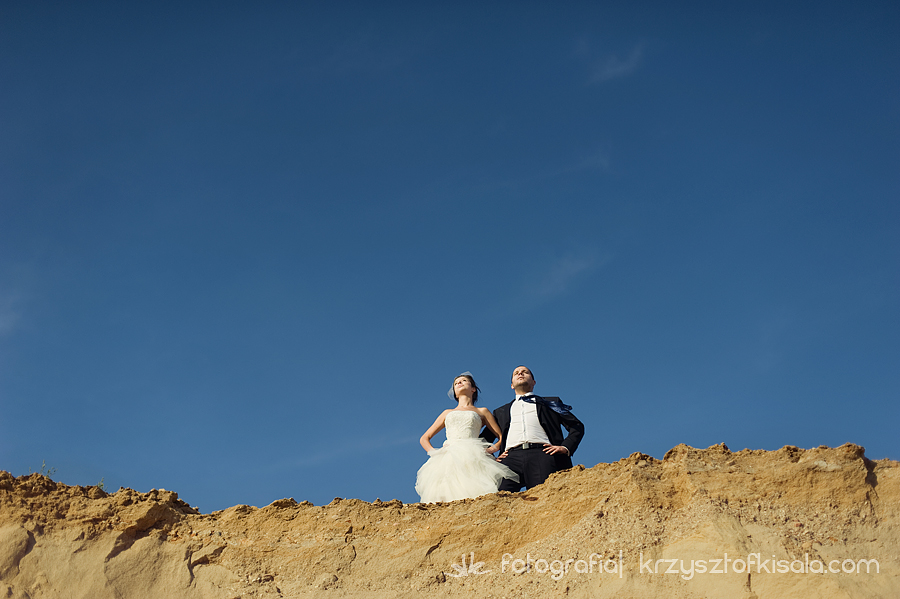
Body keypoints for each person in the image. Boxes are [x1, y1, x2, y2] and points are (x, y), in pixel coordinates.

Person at [415, 372, 519, 503]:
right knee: (444, 492)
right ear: (455, 393)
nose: (459, 383)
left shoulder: (482, 411)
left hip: (474, 454)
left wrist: (493, 449)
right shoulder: (447, 413)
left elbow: (501, 437)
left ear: (473, 389)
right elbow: (424, 438)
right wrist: (435, 453)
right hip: (449, 455)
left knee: (475, 491)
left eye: (464, 380)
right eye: (456, 383)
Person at [482, 365, 584, 491]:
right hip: (509, 458)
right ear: (512, 385)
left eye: (525, 372)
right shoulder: (500, 412)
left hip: (542, 455)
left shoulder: (551, 403)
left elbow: (576, 426)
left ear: (534, 382)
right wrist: (492, 458)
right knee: (500, 497)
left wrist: (565, 447)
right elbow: (482, 440)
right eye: (516, 373)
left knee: (543, 498)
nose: (520, 373)